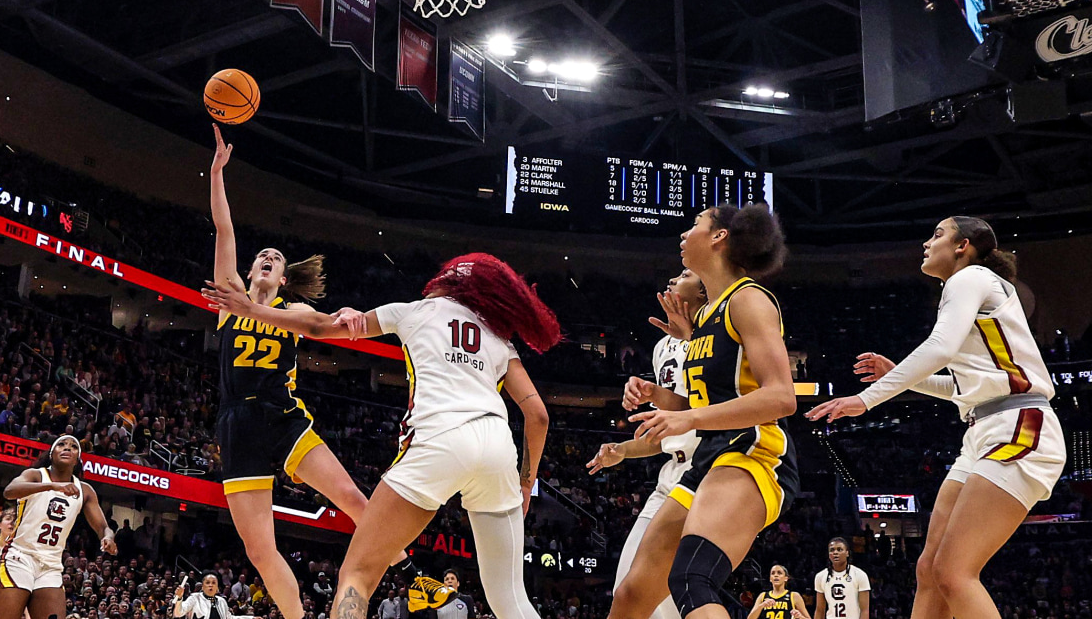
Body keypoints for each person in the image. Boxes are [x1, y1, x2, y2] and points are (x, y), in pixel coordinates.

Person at [202, 252, 559, 619]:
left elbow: (321, 328)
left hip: (440, 438)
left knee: (357, 574)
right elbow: (538, 416)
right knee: (510, 599)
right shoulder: (498, 338)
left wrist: (251, 309)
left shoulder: (416, 310)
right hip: (498, 446)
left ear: (447, 282)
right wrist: (526, 484)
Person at [204, 125, 417, 619]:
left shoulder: (292, 314)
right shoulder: (229, 299)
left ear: (282, 280)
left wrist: (351, 320)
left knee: (347, 494)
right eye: (264, 256)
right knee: (259, 551)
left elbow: (323, 326)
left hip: (282, 414)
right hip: (237, 423)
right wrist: (217, 173)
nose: (268, 258)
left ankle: (409, 570)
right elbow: (224, 230)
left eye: (276, 260)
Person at [807, 216, 1066, 619]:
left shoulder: (970, 278)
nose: (927, 243)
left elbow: (940, 347)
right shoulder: (967, 289)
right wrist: (901, 377)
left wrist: (868, 398)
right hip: (984, 427)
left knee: (954, 572)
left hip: (1020, 424)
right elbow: (963, 386)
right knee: (929, 569)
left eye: (938, 235)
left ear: (963, 245)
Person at [624, 203, 799, 619]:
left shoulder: (749, 299)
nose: (684, 234)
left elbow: (781, 397)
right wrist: (659, 395)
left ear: (720, 237)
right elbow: (702, 402)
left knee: (690, 578)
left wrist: (687, 419)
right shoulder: (706, 315)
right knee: (632, 594)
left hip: (754, 451)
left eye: (695, 225)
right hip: (710, 455)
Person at [587, 270, 706, 619]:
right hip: (670, 476)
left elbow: (705, 409)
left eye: (684, 274)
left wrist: (656, 394)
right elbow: (665, 431)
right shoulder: (661, 347)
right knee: (626, 588)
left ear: (701, 293)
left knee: (669, 601)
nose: (673, 277)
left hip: (707, 473)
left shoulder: (715, 336)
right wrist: (623, 450)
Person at [0, 435, 117, 619]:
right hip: (19, 556)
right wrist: (52, 486)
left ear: (77, 459)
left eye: (73, 446)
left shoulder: (84, 490)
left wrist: (108, 537)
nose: (67, 448)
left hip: (51, 564)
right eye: (61, 445)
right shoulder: (35, 475)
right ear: (52, 454)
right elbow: (9, 491)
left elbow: (103, 527)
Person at [812, 540, 868, 619]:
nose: (835, 552)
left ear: (847, 553)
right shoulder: (820, 576)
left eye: (839, 549)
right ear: (828, 555)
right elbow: (820, 610)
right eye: (832, 550)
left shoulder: (859, 575)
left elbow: (864, 610)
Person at [174, 573, 252, 619]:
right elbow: (178, 613)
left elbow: (230, 618)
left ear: (217, 587)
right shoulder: (194, 598)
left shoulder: (221, 601)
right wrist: (179, 598)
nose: (210, 585)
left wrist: (251, 618)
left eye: (213, 583)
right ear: (202, 587)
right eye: (207, 583)